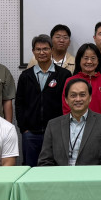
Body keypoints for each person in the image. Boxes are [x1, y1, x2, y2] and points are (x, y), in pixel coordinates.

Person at [15, 34, 73, 167]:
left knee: (56, 168)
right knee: (30, 168)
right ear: (33, 52)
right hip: (31, 133)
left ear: (52, 50)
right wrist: (24, 128)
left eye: (45, 49)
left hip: (57, 133)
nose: (42, 53)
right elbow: (19, 103)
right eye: (38, 49)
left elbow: (68, 102)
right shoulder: (25, 76)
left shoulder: (64, 75)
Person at [38, 78, 101, 166]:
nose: (78, 99)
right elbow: (45, 161)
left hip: (91, 174)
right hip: (61, 174)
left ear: (90, 98)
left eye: (82, 95)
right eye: (73, 95)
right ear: (66, 99)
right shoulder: (53, 125)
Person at [64, 43, 101, 117]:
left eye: (93, 58)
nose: (89, 62)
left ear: (98, 60)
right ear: (79, 60)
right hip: (77, 122)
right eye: (86, 58)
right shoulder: (70, 81)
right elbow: (66, 106)